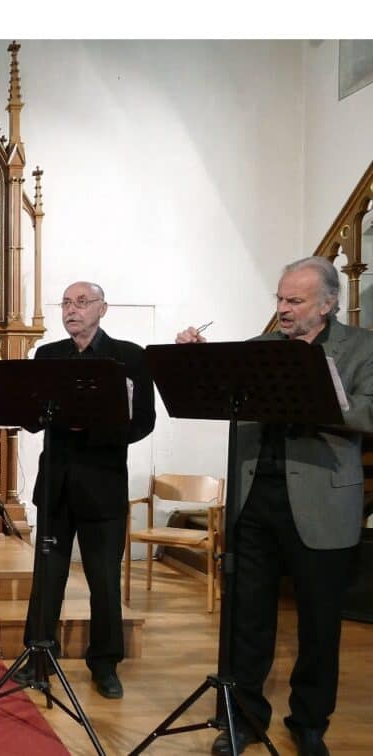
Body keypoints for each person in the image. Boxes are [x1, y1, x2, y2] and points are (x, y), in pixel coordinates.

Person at [178, 256, 372, 756]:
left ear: (328, 304)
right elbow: (214, 395)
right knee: (248, 619)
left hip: (323, 503)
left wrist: (323, 393)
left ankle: (310, 721)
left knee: (320, 621)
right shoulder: (259, 350)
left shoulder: (361, 348)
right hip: (255, 501)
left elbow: (369, 412)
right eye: (280, 299)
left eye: (295, 301)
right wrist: (196, 362)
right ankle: (241, 719)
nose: (283, 310)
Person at [14, 281, 155, 700]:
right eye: (66, 303)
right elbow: (32, 416)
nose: (72, 310)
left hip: (102, 486)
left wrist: (95, 428)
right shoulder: (48, 356)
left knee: (104, 580)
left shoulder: (128, 357)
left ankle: (105, 664)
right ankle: (39, 655)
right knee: (48, 576)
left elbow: (143, 421)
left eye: (82, 302)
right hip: (56, 483)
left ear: (103, 309)